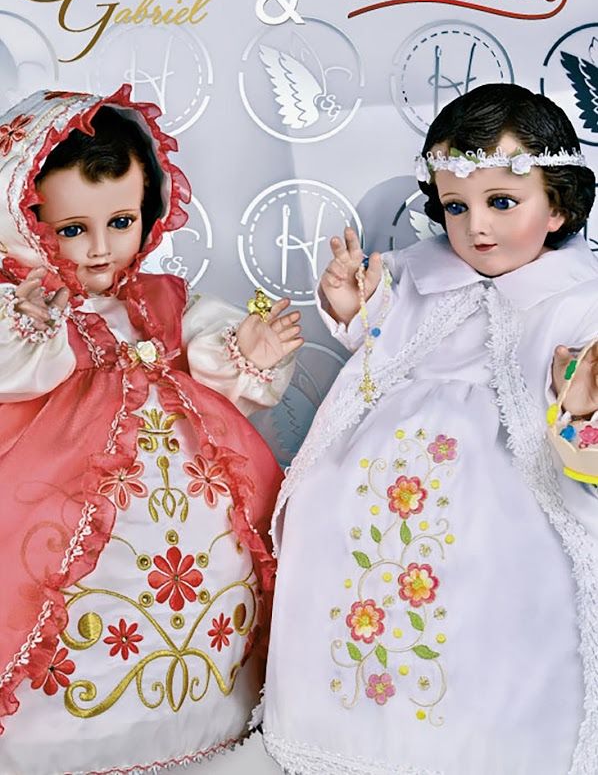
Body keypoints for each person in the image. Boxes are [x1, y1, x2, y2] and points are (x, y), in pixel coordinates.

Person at [262, 83, 598, 775]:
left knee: (492, 562)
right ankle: (348, 729)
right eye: (456, 205)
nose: (476, 227)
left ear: (559, 205)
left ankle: (480, 736)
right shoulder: (418, 271)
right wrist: (352, 305)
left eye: (502, 202)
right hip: (383, 459)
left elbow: (576, 401)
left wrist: (583, 395)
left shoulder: (577, 296)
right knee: (334, 530)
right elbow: (379, 341)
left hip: (505, 470)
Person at [0, 86, 302, 774]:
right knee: (62, 589)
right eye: (71, 229)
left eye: (121, 221)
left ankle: (202, 716)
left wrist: (246, 353)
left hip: (191, 498)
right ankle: (64, 738)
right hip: (61, 498)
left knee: (219, 570)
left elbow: (218, 367)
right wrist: (30, 323)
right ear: (23, 219)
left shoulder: (162, 301)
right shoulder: (27, 310)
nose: (100, 248)